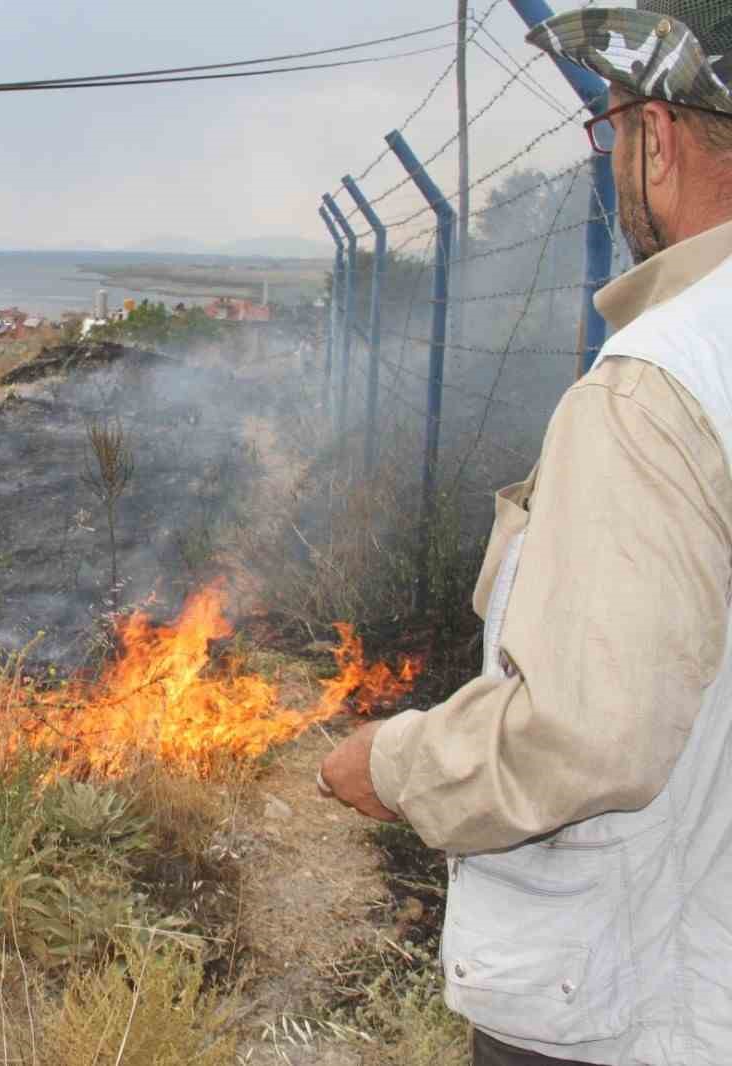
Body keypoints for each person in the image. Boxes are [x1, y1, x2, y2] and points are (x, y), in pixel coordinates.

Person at [319, 4, 732, 1064]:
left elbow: (590, 733)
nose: (607, 156)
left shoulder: (651, 388)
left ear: (660, 137)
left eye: (609, 130)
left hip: (637, 997)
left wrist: (399, 762)